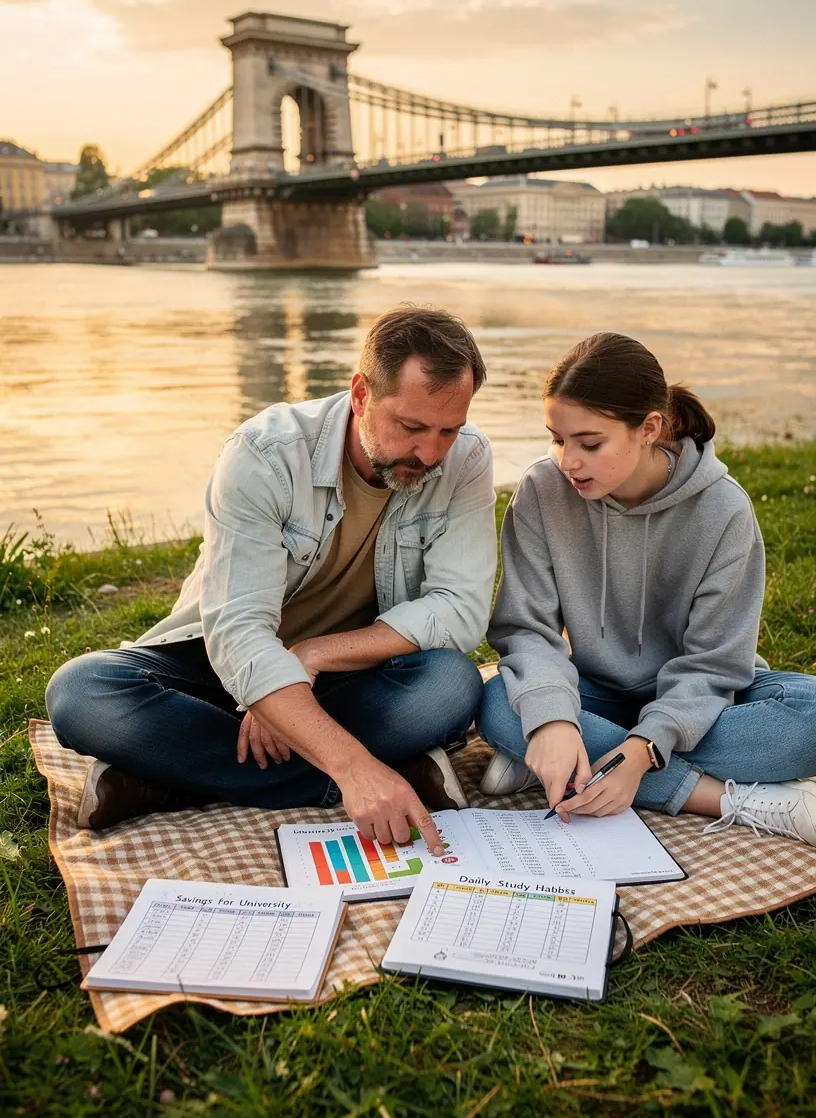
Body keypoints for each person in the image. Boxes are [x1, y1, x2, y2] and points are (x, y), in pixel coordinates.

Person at [47, 307, 497, 856]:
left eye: (448, 429)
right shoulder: (265, 454)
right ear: (360, 395)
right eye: (411, 427)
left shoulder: (466, 459)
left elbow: (461, 609)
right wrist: (353, 767)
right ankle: (383, 768)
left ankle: (160, 781)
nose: (430, 453)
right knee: (81, 693)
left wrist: (313, 655)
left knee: (450, 686)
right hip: (218, 671)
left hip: (351, 674)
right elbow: (238, 633)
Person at [478, 332, 816, 846]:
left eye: (590, 443)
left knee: (808, 715)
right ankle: (724, 798)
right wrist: (552, 719)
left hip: (702, 705)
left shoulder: (723, 511)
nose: (568, 460)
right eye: (557, 438)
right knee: (500, 702)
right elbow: (527, 630)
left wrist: (645, 749)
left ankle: (568, 761)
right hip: (593, 690)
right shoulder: (542, 492)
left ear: (649, 428)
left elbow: (715, 664)